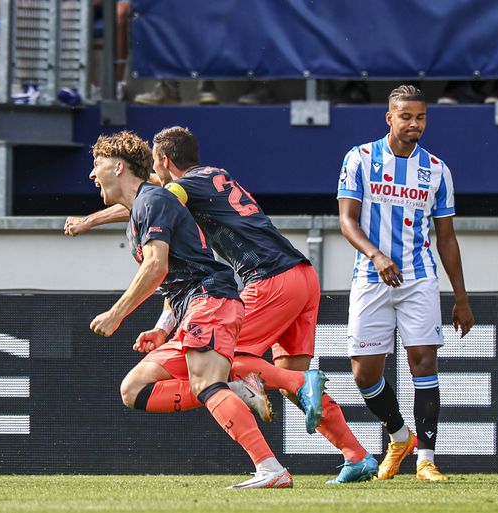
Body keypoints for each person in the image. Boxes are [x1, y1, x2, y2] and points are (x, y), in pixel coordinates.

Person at [67, 127, 378, 484]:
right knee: (286, 388)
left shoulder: (173, 192)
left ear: (165, 162)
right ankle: (356, 454)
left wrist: (90, 221)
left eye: (156, 164)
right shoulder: (213, 177)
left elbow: (151, 207)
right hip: (301, 275)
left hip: (267, 278)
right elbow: (154, 224)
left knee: (231, 363)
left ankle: (281, 407)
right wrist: (164, 327)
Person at [87, 131, 293, 489]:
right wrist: (162, 327)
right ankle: (234, 386)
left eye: (97, 164)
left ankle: (270, 469)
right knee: (133, 388)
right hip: (197, 308)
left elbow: (157, 267)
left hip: (210, 303)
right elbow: (177, 271)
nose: (92, 174)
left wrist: (116, 313)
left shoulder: (152, 200)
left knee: (206, 385)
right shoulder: (144, 206)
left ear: (119, 168)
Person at [336, 84, 475, 481]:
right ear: (390, 118)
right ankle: (400, 437)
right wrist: (377, 256)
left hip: (418, 279)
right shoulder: (360, 159)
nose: (415, 124)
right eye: (407, 117)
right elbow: (346, 221)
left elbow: (446, 237)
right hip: (370, 276)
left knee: (424, 363)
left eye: (421, 117)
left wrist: (461, 299)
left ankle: (426, 459)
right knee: (364, 374)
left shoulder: (437, 170)